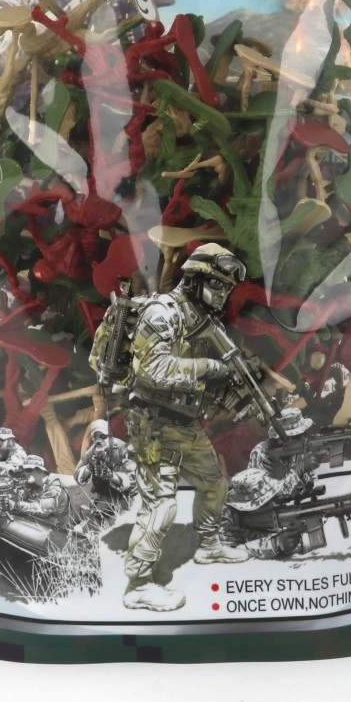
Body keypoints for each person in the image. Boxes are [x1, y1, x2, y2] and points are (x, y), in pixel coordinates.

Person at [120, 243, 251, 612]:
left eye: (228, 288)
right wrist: (209, 369)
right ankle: (138, 584)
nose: (223, 294)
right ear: (195, 280)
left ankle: (208, 545)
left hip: (185, 423)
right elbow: (153, 369)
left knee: (213, 483)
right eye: (217, 285)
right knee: (161, 505)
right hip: (153, 424)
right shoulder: (163, 312)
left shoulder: (202, 320)